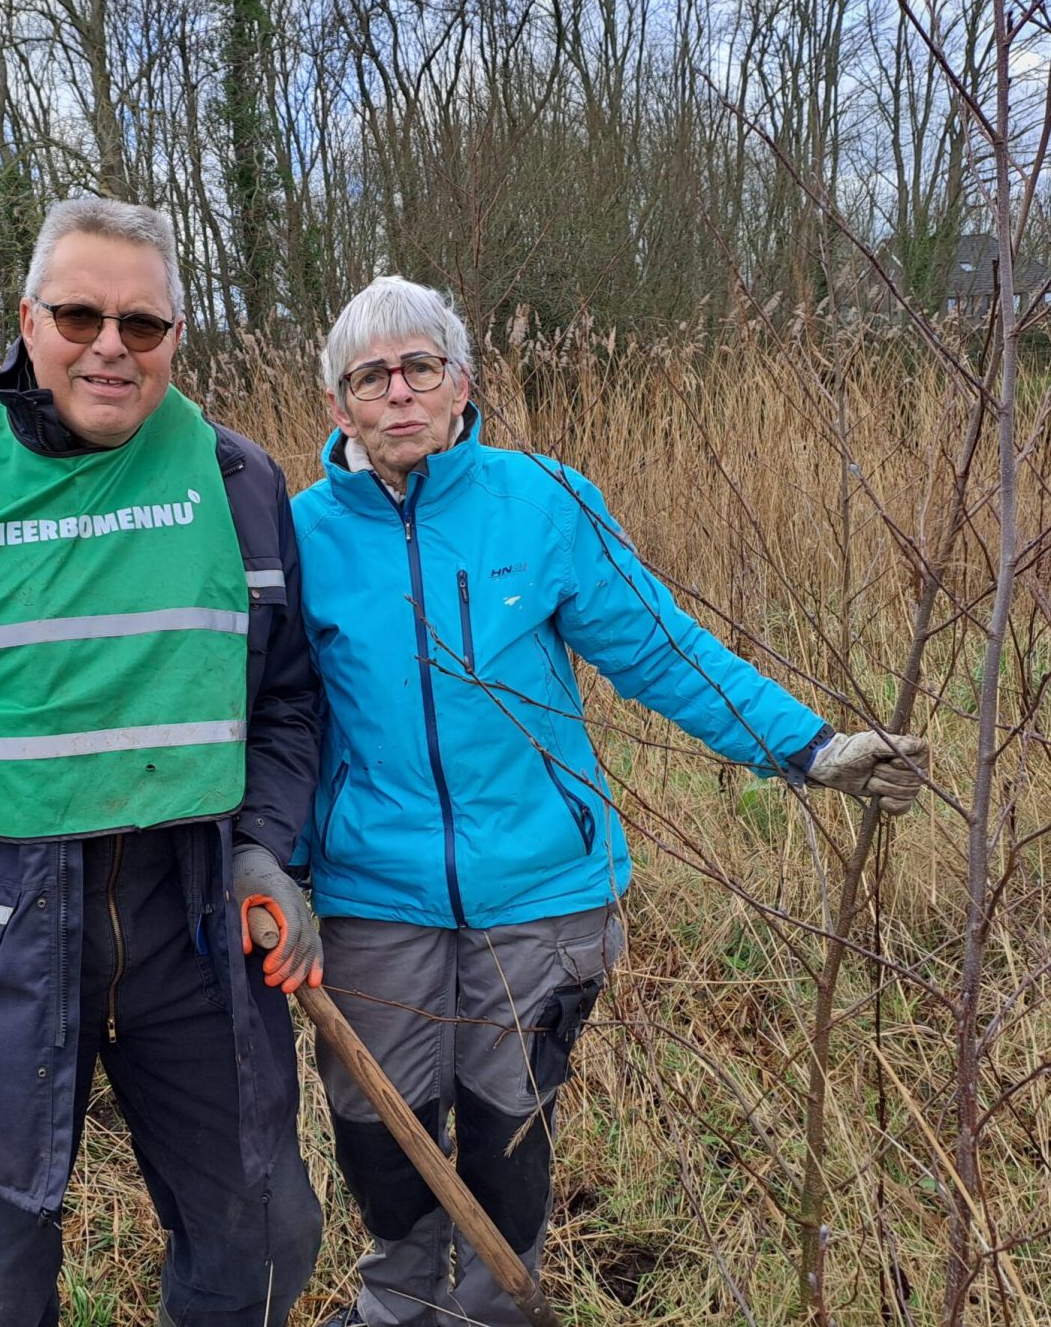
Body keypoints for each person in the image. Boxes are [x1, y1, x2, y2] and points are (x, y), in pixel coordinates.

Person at [291, 275, 931, 1327]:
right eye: (371, 376)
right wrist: (265, 860)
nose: (398, 392)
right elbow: (274, 715)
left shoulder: (542, 502)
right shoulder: (300, 534)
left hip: (539, 885)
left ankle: (493, 1307)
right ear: (338, 404)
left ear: (461, 384)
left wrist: (809, 747)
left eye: (420, 368)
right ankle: (397, 1303)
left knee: (506, 1120)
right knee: (374, 1121)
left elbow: (661, 647)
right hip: (371, 890)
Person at [0, 197, 326, 1327]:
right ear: (29, 320)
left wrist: (263, 850)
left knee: (266, 1242)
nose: (110, 347)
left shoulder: (235, 482)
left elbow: (284, 701)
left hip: (191, 929)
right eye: (80, 316)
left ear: (176, 335)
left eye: (143, 324)